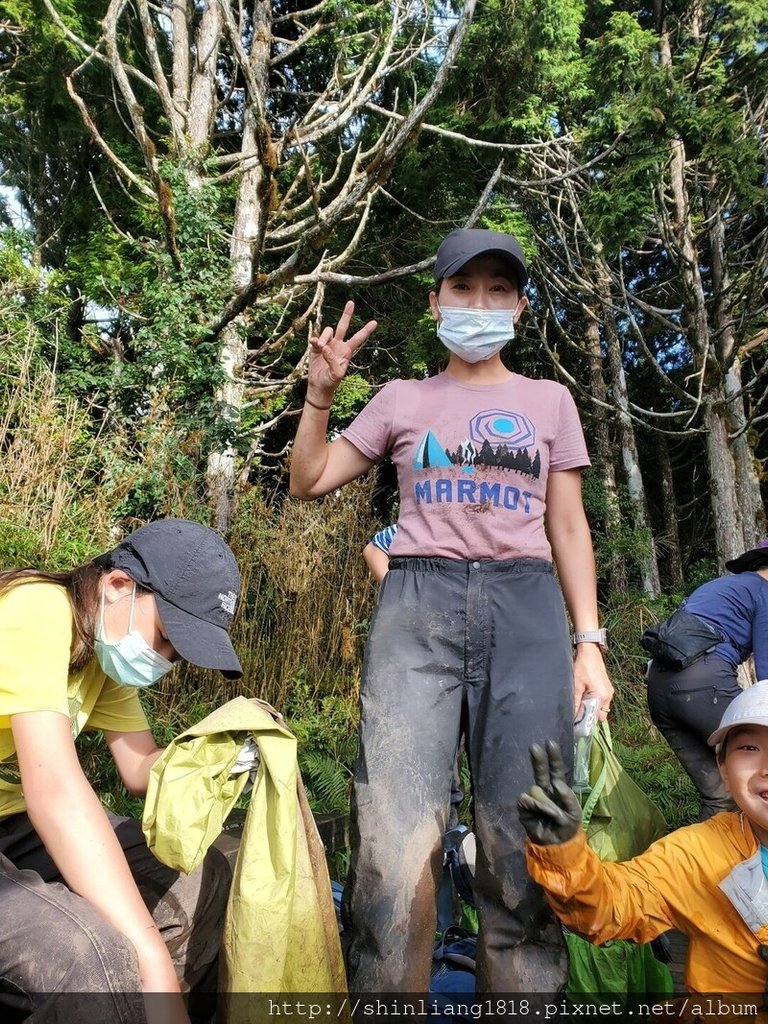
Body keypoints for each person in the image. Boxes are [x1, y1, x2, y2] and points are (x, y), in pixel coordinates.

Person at [290, 227, 613, 994]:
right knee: (394, 843)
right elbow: (309, 479)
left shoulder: (549, 401)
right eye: (462, 289)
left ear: (521, 307)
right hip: (417, 608)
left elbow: (567, 526)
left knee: (526, 838)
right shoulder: (402, 400)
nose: (479, 303)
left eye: (498, 290)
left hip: (527, 612)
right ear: (434, 302)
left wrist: (589, 641)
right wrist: (320, 394)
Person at [0, 518, 243, 1024]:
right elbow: (57, 795)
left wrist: (218, 756)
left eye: (177, 655)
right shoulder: (35, 610)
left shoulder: (101, 651)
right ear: (117, 586)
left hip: (16, 824)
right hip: (31, 815)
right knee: (91, 955)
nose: (164, 660)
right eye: (166, 638)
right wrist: (149, 954)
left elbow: (138, 769)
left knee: (203, 881)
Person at [518, 680, 768, 996]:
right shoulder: (698, 854)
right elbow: (610, 907)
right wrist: (563, 852)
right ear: (723, 769)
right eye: (749, 748)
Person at [645, 541, 768, 820]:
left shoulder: (726, 586)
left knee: (719, 797)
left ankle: (700, 863)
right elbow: (766, 674)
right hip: (702, 684)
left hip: (659, 688)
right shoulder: (766, 592)